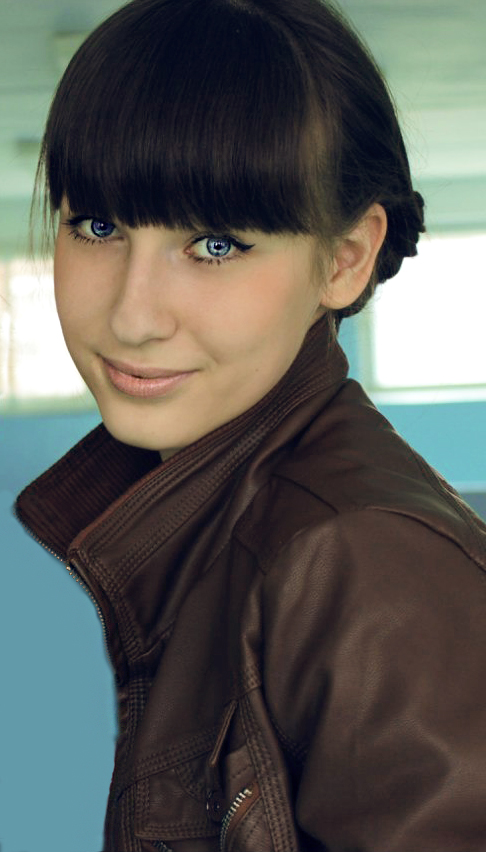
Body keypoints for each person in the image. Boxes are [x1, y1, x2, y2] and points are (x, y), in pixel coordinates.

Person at [15, 0, 486, 849]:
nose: (132, 316)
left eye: (216, 244)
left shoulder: (360, 558)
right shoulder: (215, 524)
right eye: (98, 226)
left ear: (345, 259)